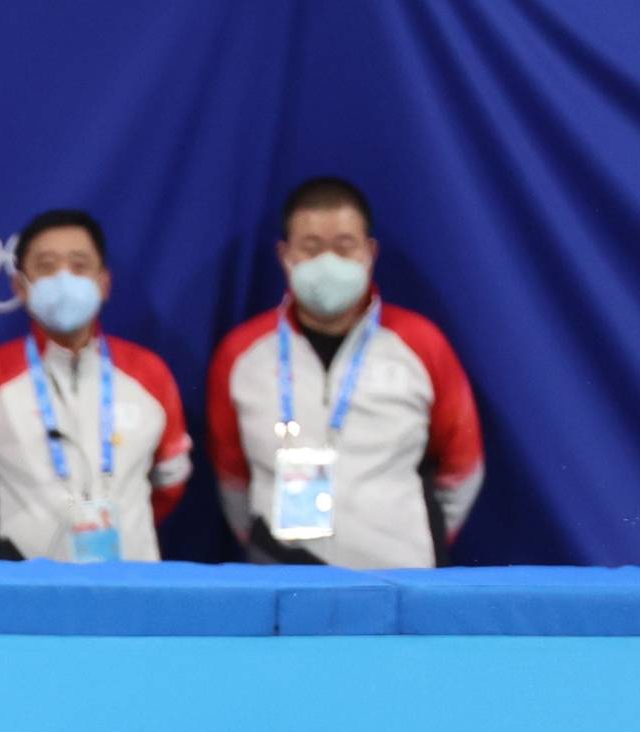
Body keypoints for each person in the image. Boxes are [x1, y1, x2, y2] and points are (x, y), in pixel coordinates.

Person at [204, 176, 483, 568]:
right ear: (285, 255)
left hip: (400, 573)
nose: (327, 262)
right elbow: (232, 475)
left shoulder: (422, 344)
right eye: (311, 248)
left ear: (370, 252)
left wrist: (416, 536)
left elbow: (462, 466)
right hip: (280, 572)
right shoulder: (241, 353)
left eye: (344, 246)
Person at [0, 210, 190, 562]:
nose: (64, 278)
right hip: (27, 585)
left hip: (135, 580)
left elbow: (169, 481)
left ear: (103, 283)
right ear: (20, 287)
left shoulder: (150, 373)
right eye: (46, 265)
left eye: (79, 265)